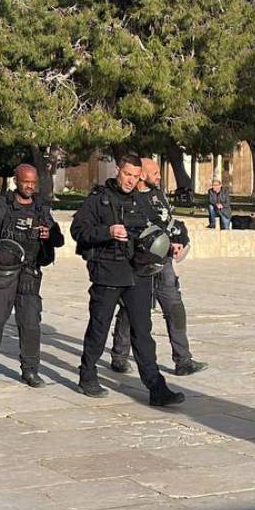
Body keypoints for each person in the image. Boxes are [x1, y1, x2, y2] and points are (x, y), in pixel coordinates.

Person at [71, 154, 184, 407]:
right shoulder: (98, 199)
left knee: (143, 332)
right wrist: (107, 231)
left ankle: (156, 387)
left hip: (137, 273)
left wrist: (170, 244)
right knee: (99, 328)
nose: (130, 180)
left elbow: (158, 227)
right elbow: (77, 230)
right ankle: (87, 376)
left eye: (135, 176)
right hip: (108, 272)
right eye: (127, 174)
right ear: (117, 171)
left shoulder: (141, 200)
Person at [111, 158, 208, 377]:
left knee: (175, 309)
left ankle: (183, 360)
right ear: (142, 175)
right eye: (155, 173)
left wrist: (179, 240)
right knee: (131, 310)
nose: (159, 176)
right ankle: (119, 356)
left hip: (164, 264)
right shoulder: (128, 199)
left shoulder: (158, 196)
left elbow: (170, 224)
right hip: (139, 265)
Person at [0, 164, 62, 388]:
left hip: (29, 273)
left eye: (33, 183)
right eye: (26, 182)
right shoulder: (2, 203)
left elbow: (59, 239)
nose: (30, 186)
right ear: (16, 181)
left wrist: (48, 234)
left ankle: (30, 370)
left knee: (30, 323)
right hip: (3, 272)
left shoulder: (41, 208)